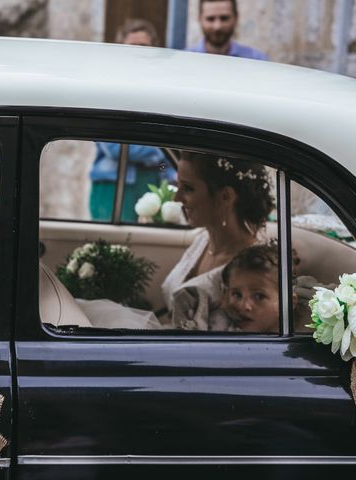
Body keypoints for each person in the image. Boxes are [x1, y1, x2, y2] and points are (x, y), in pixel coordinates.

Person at [162, 152, 274, 326]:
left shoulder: (250, 268)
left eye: (188, 188)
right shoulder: (202, 241)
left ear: (225, 197)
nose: (177, 198)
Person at [89, 19, 175, 222]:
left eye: (144, 47)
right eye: (131, 47)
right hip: (112, 184)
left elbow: (169, 153)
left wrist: (168, 173)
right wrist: (157, 148)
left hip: (153, 180)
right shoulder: (107, 88)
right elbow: (113, 147)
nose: (138, 53)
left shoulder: (162, 91)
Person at [188, 0, 268, 60]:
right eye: (210, 19)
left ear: (236, 18)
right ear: (199, 19)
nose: (217, 27)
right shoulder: (185, 60)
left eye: (224, 18)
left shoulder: (257, 60)